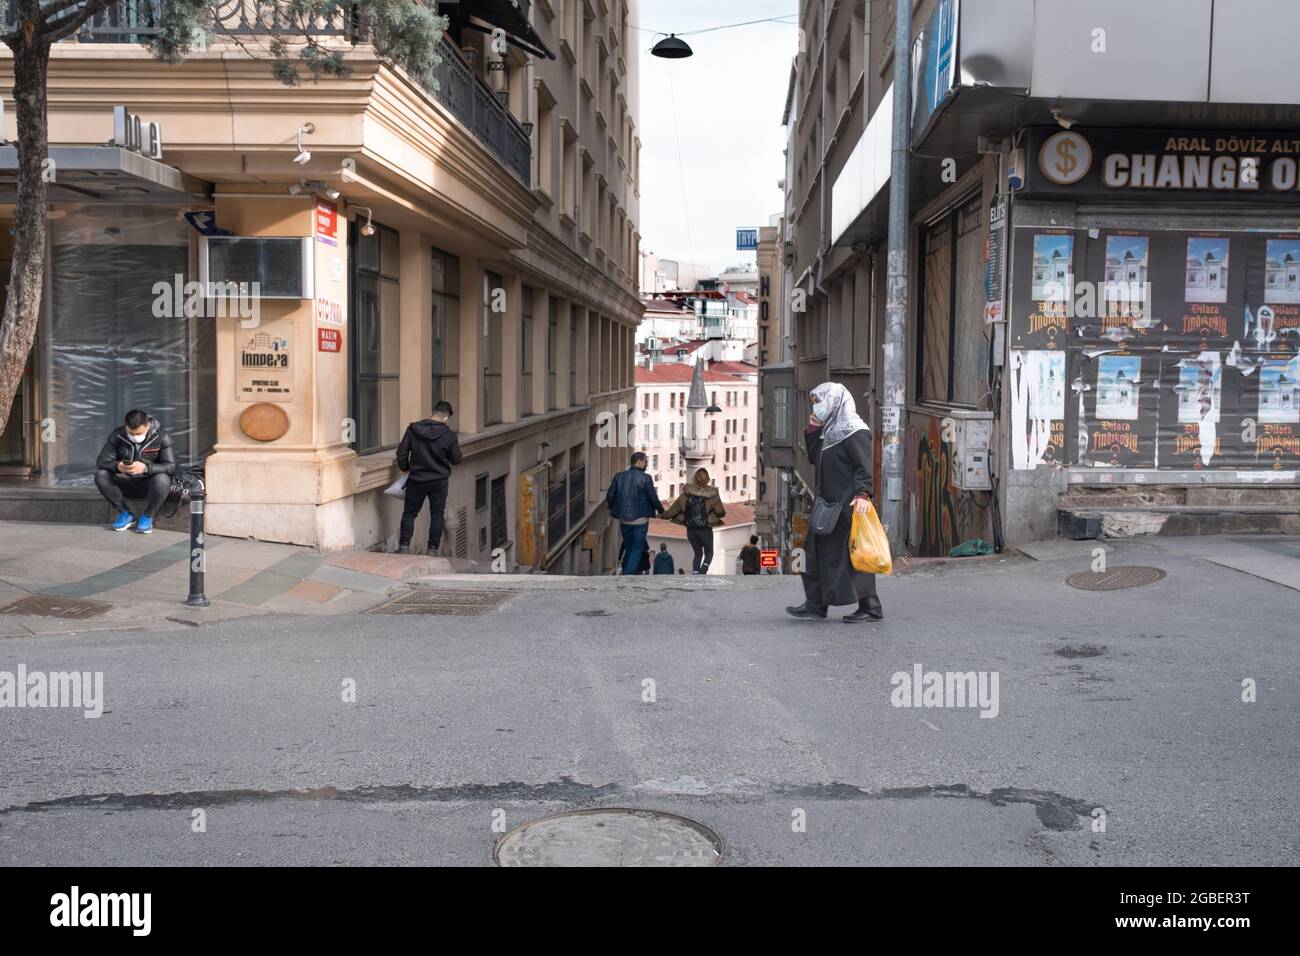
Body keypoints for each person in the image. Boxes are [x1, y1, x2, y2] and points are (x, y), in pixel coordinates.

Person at [786, 382, 883, 624]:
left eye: (821, 401)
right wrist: (812, 429)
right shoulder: (830, 431)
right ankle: (816, 604)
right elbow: (813, 457)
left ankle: (870, 607)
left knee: (854, 555)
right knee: (813, 552)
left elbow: (864, 466)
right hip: (827, 505)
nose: (817, 406)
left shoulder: (855, 430)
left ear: (836, 401)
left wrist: (863, 494)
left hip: (847, 505)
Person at [395, 400, 462, 555]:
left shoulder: (413, 429)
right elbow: (456, 460)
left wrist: (406, 468)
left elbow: (401, 453)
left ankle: (404, 546)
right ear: (446, 417)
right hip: (439, 481)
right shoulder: (449, 435)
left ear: (433, 412)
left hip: (417, 479)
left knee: (410, 513)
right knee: (437, 515)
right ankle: (432, 550)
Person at [95, 409, 177, 534]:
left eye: (139, 433)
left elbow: (170, 467)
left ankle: (148, 516)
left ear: (148, 425)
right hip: (125, 482)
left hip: (149, 484)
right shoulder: (118, 435)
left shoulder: (161, 437)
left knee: (162, 479)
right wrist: (118, 466)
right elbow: (101, 462)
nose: (135, 437)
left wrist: (146, 468)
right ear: (126, 426)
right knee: (101, 475)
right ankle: (125, 514)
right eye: (131, 433)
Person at [606, 451, 664, 575]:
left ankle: (625, 572)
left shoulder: (619, 476)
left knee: (629, 547)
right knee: (637, 549)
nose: (646, 463)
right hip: (640, 519)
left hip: (623, 519)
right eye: (645, 461)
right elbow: (653, 498)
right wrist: (661, 511)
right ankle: (628, 575)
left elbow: (610, 495)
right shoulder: (646, 478)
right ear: (639, 461)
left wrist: (613, 508)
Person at [663, 467, 725, 574]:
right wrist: (711, 513)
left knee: (697, 553)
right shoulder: (713, 495)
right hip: (705, 530)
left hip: (691, 530)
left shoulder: (685, 495)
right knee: (709, 553)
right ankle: (703, 570)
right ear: (707, 479)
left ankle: (695, 574)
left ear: (695, 478)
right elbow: (721, 512)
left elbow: (671, 512)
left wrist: (660, 515)